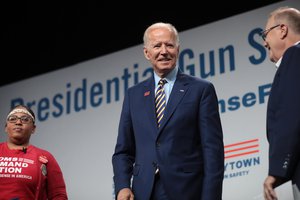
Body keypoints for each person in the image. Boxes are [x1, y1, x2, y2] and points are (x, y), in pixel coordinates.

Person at [112, 22, 224, 200]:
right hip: (143, 192)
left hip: (187, 190)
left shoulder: (201, 90)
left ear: (178, 50)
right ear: (147, 53)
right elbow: (123, 151)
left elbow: (212, 151)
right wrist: (122, 186)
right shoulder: (134, 95)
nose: (164, 51)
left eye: (169, 45)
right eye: (157, 46)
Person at [260, 6, 300, 200]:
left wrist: (277, 171)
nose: (264, 42)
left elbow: (291, 115)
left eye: (265, 33)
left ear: (282, 30)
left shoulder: (294, 55)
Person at [0, 104, 68, 199]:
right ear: (6, 127)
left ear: (33, 128)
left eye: (25, 119)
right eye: (12, 119)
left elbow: (58, 195)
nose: (18, 122)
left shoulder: (45, 157)